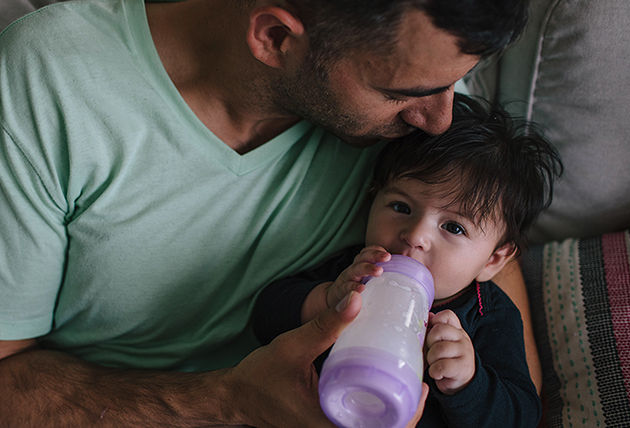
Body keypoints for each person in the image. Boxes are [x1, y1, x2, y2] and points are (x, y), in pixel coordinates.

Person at [0, 0, 531, 425]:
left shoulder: (420, 53)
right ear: (275, 37)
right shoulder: (50, 86)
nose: (440, 119)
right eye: (402, 93)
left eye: (455, 83)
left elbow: (485, 241)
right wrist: (229, 402)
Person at [253, 95, 562, 427]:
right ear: (372, 200)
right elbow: (264, 316)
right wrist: (325, 301)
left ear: (494, 259)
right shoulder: (354, 272)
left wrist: (469, 382)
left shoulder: (488, 316)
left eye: (454, 227)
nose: (415, 235)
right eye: (401, 207)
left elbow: (522, 417)